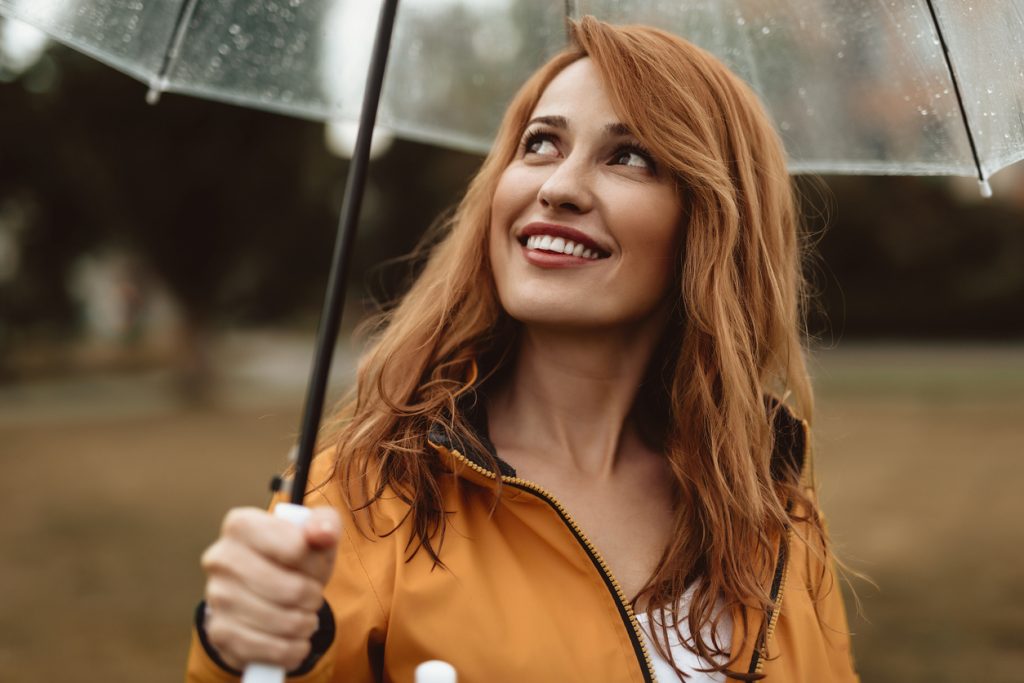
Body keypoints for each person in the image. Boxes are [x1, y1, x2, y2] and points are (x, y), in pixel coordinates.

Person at [186, 17, 858, 683]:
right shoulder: (364, 498)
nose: (558, 186)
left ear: (711, 224)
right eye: (540, 143)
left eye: (628, 156)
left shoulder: (771, 507)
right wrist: (243, 649)